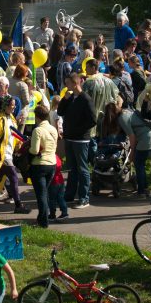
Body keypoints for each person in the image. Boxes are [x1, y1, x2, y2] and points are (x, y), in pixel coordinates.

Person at [59, 73, 96, 209]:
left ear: (75, 84)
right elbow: (60, 112)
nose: (66, 86)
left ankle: (84, 198)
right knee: (72, 168)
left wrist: (78, 131)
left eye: (67, 83)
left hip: (81, 139)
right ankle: (69, 195)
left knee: (82, 169)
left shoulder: (85, 99)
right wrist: (64, 99)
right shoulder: (70, 98)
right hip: (69, 138)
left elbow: (93, 120)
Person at [29, 104, 58, 228]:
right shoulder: (53, 129)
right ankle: (42, 217)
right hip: (52, 164)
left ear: (37, 117)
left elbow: (35, 151)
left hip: (39, 165)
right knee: (44, 192)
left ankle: (43, 222)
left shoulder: (38, 130)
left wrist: (26, 149)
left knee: (41, 195)